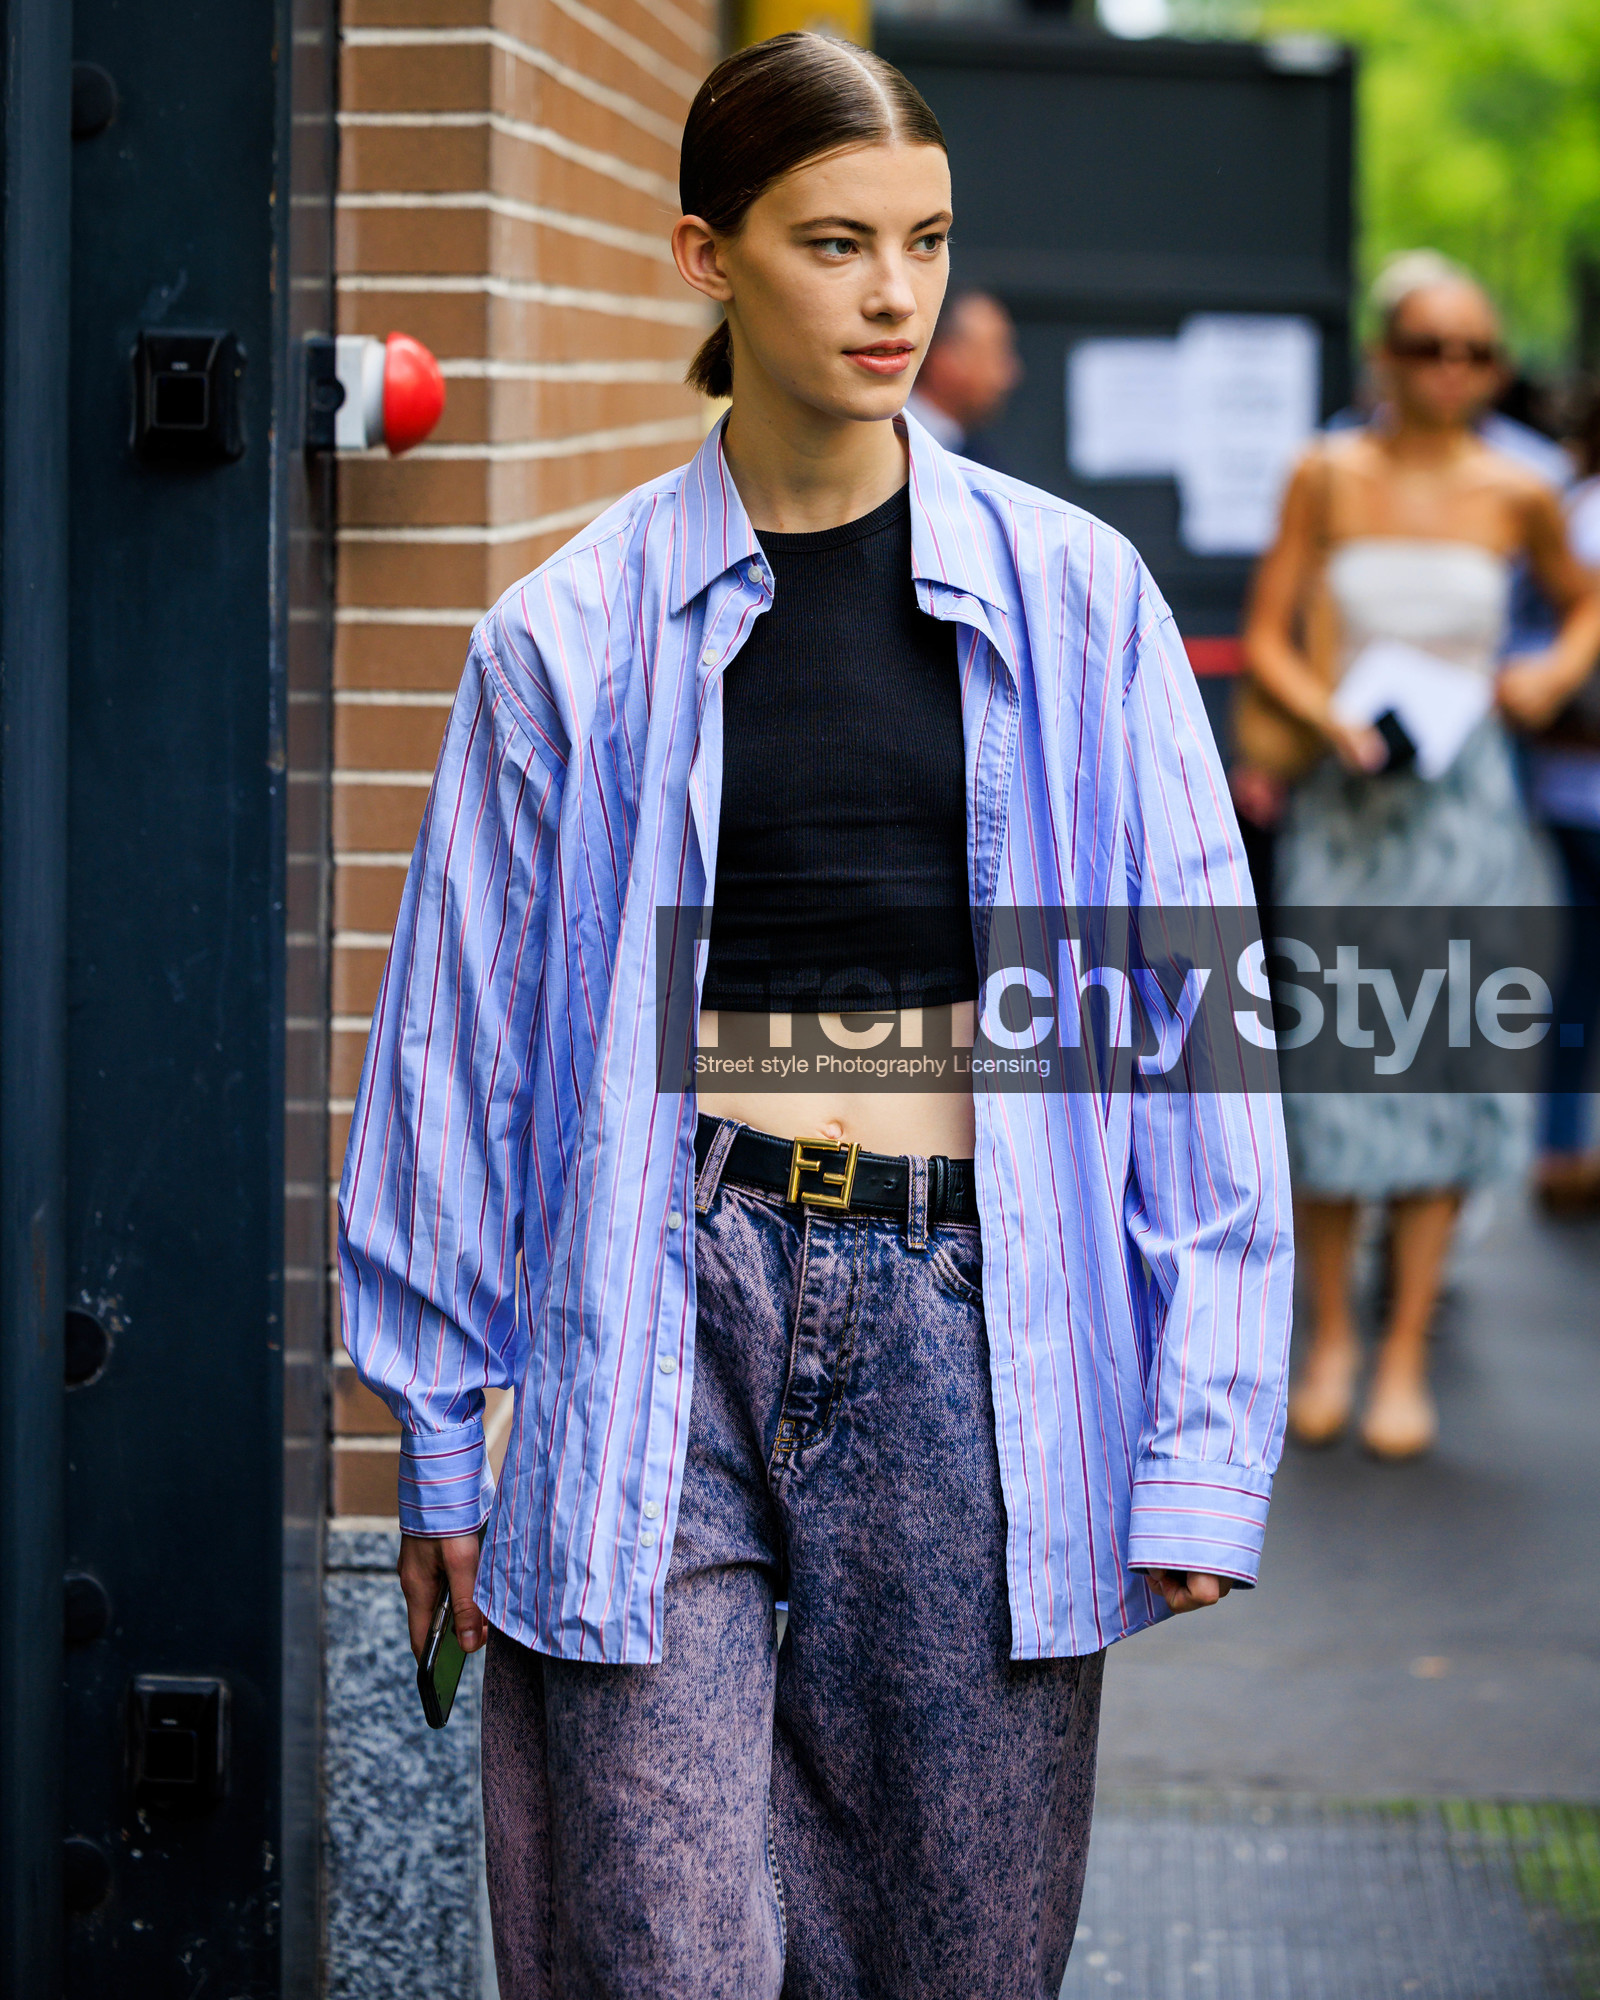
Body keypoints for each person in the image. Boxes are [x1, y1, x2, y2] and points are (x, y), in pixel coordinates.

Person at [339, 32, 1294, 1998]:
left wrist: (1204, 1425)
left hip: (973, 1314)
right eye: (834, 241)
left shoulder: (1079, 600)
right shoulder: (564, 636)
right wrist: (439, 1433)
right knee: (652, 1939)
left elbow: (1187, 1017)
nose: (892, 296)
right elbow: (456, 1049)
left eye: (924, 242)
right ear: (708, 256)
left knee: (948, 1943)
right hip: (657, 1303)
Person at [1242, 251, 1600, 1462]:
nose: (1453, 370)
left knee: (1446, 1066)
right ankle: (1331, 1338)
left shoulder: (1522, 488)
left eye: (1476, 351)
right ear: (1384, 356)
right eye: (1429, 346)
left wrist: (1549, 671)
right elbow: (1268, 631)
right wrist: (1322, 711)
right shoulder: (1326, 471)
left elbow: (1582, 602)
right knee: (1336, 1069)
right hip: (1348, 797)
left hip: (1466, 806)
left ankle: (1402, 1350)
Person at [1530, 382, 1600, 1210]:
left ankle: (1557, 1147)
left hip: (1567, 783)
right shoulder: (1578, 513)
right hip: (1579, 778)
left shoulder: (1572, 506)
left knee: (1578, 971)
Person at [903, 285, 1022, 459]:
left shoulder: (980, 456)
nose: (1010, 375)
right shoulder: (880, 443)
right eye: (998, 354)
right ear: (946, 359)